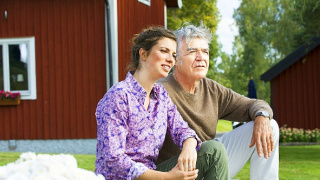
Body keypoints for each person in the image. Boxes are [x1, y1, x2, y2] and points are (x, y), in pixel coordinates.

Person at [95, 26, 229, 180]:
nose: (171, 59)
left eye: (173, 54)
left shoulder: (161, 95)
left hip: (155, 174)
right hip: (122, 177)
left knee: (213, 150)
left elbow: (182, 129)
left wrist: (189, 145)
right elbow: (113, 160)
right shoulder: (118, 96)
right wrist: (166, 177)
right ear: (143, 54)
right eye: (164, 51)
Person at [157, 24, 280, 180]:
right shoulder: (159, 90)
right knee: (213, 149)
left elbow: (252, 104)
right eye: (192, 51)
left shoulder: (211, 89)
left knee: (270, 125)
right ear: (176, 58)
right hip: (173, 171)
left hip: (210, 162)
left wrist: (262, 116)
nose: (201, 57)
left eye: (205, 52)